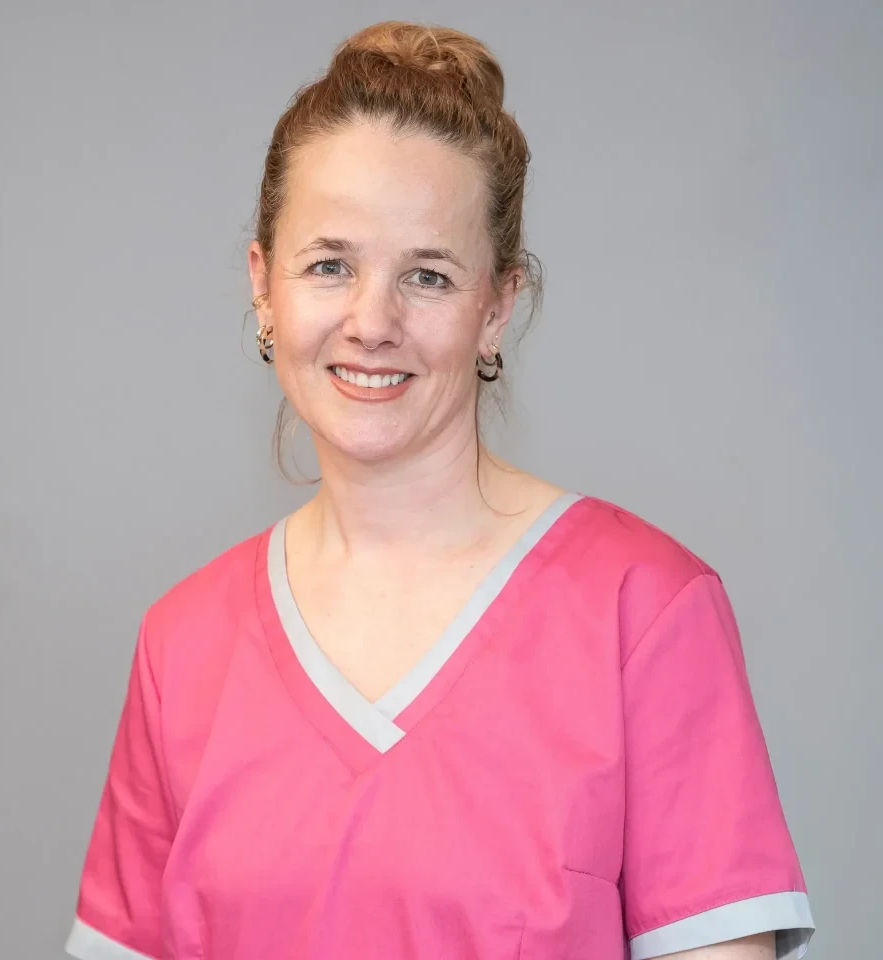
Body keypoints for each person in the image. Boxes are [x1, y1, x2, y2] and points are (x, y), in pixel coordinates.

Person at [64, 20, 814, 960]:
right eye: (329, 265)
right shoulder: (181, 645)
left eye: (427, 276)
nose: (371, 321)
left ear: (496, 307)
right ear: (263, 286)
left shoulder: (646, 612)